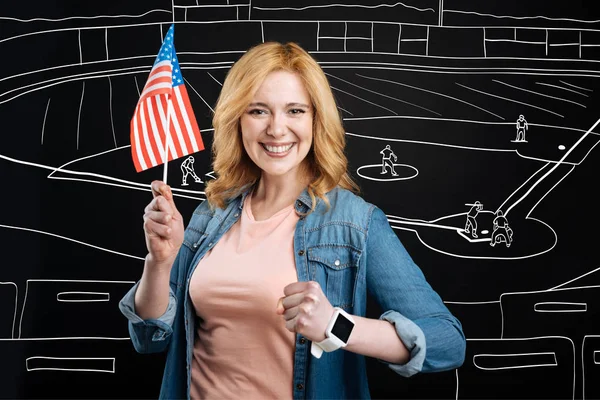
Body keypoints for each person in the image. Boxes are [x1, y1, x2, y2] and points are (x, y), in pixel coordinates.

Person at [119, 41, 466, 400]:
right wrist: (159, 264)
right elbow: (149, 339)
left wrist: (336, 326)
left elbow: (447, 343)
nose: (276, 129)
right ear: (237, 120)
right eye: (258, 111)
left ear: (316, 120)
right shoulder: (211, 214)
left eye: (295, 111)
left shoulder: (354, 223)